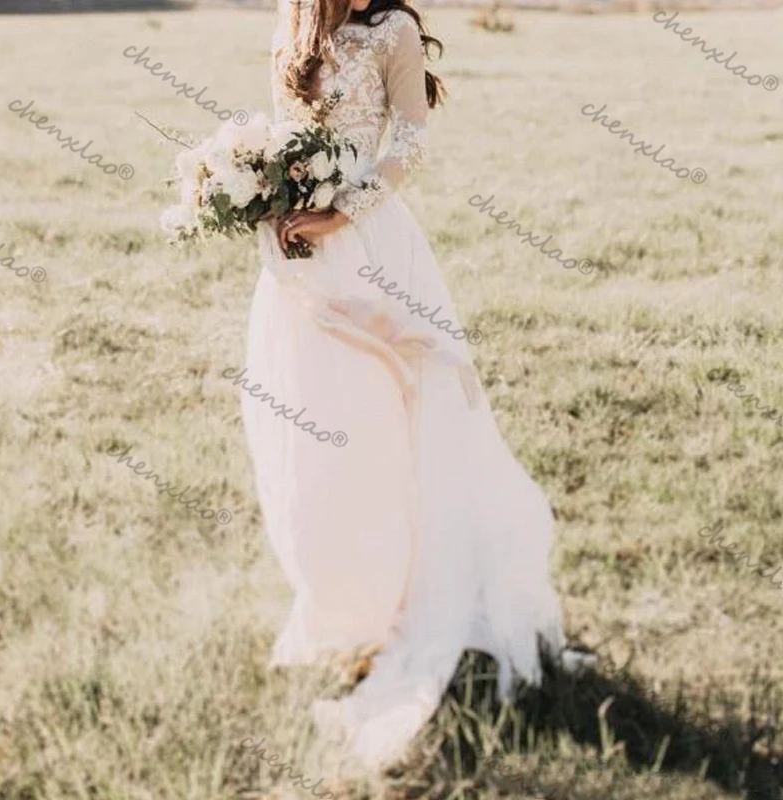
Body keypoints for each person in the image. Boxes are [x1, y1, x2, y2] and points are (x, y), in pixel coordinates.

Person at [238, 0, 584, 768]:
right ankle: (345, 600)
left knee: (386, 421)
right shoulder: (292, 28)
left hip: (373, 247)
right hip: (298, 257)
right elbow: (282, 141)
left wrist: (341, 212)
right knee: (312, 424)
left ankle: (411, 596)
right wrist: (266, 200)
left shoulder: (393, 33)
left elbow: (413, 143)